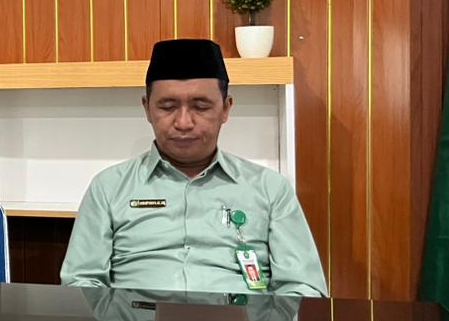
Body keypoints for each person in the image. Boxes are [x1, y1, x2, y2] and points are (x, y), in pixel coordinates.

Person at [61, 38, 326, 295]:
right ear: (147, 109)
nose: (184, 122)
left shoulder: (270, 189)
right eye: (167, 107)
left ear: (225, 109)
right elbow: (80, 281)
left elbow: (304, 287)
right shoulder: (109, 188)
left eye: (200, 107)